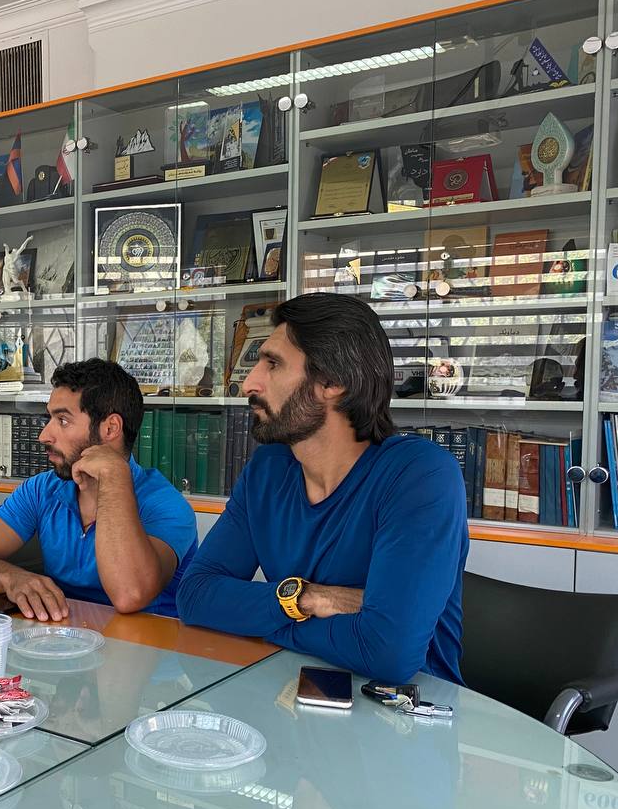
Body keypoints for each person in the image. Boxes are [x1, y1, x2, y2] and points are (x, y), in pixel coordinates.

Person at [176, 293, 467, 685]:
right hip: (295, 690)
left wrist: (261, 619)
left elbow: (386, 653)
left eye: (273, 364)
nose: (248, 383)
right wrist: (307, 598)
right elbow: (195, 596)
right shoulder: (268, 470)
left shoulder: (419, 475)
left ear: (333, 381)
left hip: (408, 707)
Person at [0, 359, 197, 621]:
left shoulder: (167, 506)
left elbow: (129, 595)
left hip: (144, 642)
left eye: (63, 420)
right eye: (50, 418)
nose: (44, 436)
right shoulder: (41, 489)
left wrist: (113, 476)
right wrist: (9, 577)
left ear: (110, 428)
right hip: (63, 636)